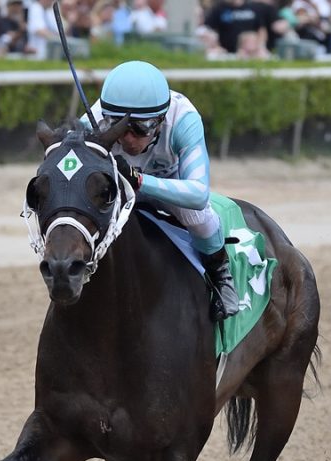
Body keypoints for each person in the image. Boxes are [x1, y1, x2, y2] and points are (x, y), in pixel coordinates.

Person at [82, 61, 241, 320]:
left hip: (169, 186)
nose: (128, 139)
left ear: (161, 119)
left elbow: (199, 194)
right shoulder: (93, 120)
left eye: (140, 129)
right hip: (119, 186)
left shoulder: (184, 119)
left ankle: (221, 275)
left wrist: (139, 180)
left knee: (197, 216)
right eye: (118, 127)